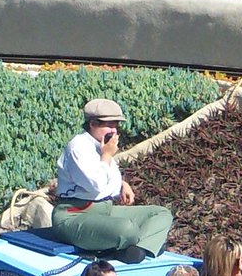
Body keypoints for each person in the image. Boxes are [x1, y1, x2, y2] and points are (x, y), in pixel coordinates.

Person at [50, 98, 174, 258]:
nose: (114, 130)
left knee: (161, 213)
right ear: (93, 124)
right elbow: (96, 185)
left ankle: (137, 250)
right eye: (109, 125)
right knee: (127, 229)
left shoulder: (101, 145)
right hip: (75, 215)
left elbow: (107, 175)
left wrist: (122, 184)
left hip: (104, 211)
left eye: (116, 125)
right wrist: (107, 154)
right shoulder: (79, 147)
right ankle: (141, 245)